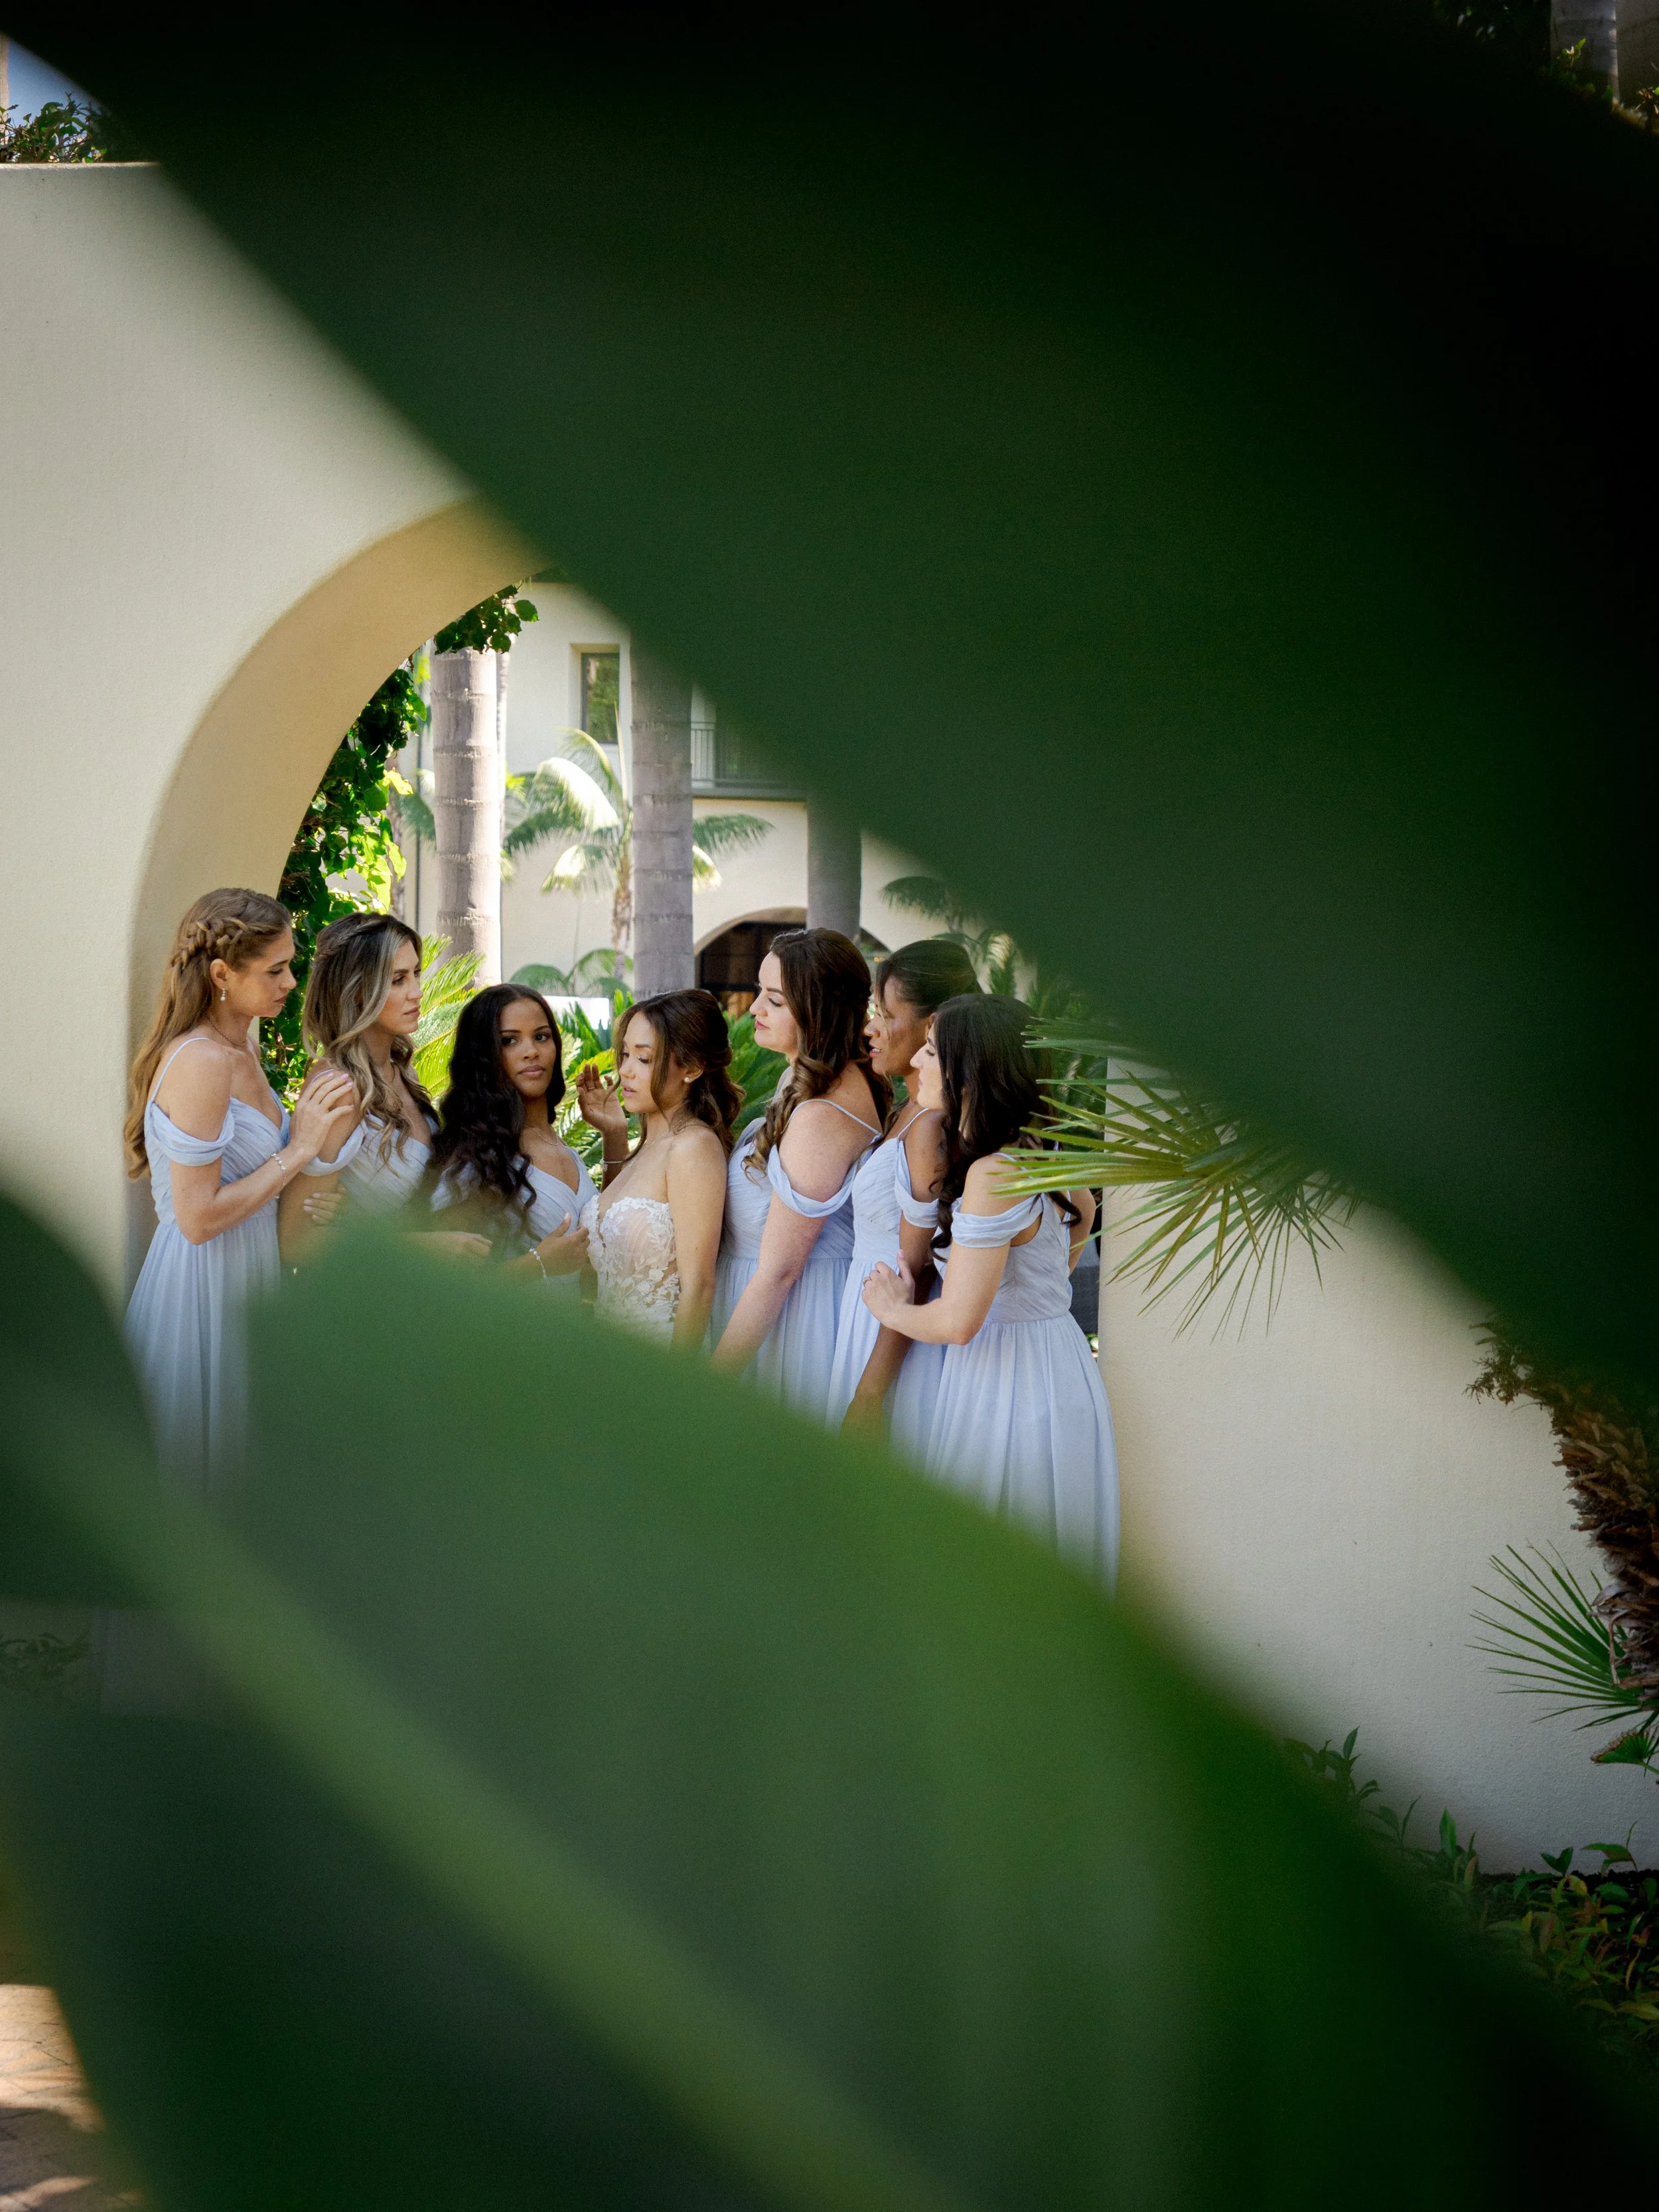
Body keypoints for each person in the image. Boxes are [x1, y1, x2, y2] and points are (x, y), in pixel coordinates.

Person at [861, 995, 1118, 1582]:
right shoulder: (1043, 1150)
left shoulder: (992, 1172)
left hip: (1011, 1385)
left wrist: (892, 1308)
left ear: (969, 1072)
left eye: (931, 1052)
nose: (917, 1062)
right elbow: (1081, 1216)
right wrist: (1031, 1297)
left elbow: (958, 1322)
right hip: (1054, 1363)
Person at [123, 887, 356, 1486]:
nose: (290, 983)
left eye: (290, 966)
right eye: (274, 970)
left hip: (251, 1277)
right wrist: (299, 1148)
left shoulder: (244, 1049)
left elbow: (257, 1182)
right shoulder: (201, 1060)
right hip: (200, 1287)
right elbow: (197, 1219)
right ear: (222, 974)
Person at [711, 928, 889, 1413]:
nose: (754, 1008)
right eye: (759, 992)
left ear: (818, 1011)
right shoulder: (808, 1082)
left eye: (774, 1000)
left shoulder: (820, 1115)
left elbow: (781, 1271)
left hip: (794, 1326)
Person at [826, 938, 981, 1447]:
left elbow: (917, 1268)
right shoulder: (906, 1111)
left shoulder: (931, 1125)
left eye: (886, 1014)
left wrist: (870, 1394)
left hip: (897, 1347)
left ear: (932, 1024)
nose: (870, 1028)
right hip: (866, 1316)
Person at [575, 990, 737, 1346]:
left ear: (692, 1068)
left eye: (644, 1058)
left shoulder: (692, 1148)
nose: (625, 1071)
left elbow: (700, 1288)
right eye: (625, 1055)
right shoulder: (649, 1146)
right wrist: (614, 1134)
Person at [278, 913, 442, 1261]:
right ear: (356, 991)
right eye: (398, 980)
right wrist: (426, 1245)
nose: (417, 992)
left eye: (416, 974)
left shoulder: (400, 1072)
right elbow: (295, 1243)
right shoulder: (338, 1089)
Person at [427, 984, 593, 1292]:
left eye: (541, 1037)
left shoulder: (563, 1149)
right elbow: (441, 1287)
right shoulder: (477, 1155)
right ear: (483, 1056)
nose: (531, 1052)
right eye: (509, 1041)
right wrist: (537, 1265)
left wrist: (614, 1134)